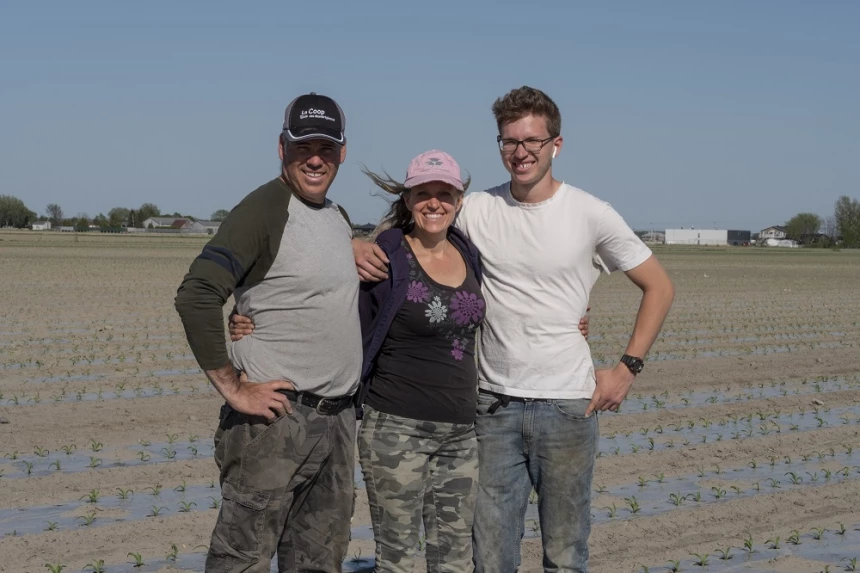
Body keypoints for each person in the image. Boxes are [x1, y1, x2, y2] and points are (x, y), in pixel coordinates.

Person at [354, 86, 676, 573]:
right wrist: (353, 243)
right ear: (499, 145)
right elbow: (418, 222)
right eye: (509, 142)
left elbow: (659, 287)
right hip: (491, 406)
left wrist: (626, 369)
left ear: (556, 145)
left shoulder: (592, 213)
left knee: (566, 554)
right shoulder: (478, 209)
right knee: (489, 557)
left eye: (531, 141)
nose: (520, 152)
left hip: (568, 406)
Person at [229, 149, 591, 573]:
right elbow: (331, 307)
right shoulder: (386, 254)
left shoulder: (469, 251)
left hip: (460, 433)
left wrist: (572, 320)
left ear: (459, 200)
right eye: (423, 193)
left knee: (454, 560)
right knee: (398, 560)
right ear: (407, 198)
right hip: (396, 430)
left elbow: (524, 290)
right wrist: (253, 327)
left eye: (444, 193)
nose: (433, 202)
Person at [174, 92, 362, 573]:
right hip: (278, 421)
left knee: (319, 561)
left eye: (326, 146)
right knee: (244, 559)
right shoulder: (263, 209)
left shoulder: (336, 216)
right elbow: (197, 294)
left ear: (343, 151)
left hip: (336, 420)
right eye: (303, 147)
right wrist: (234, 387)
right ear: (282, 148)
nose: (315, 158)